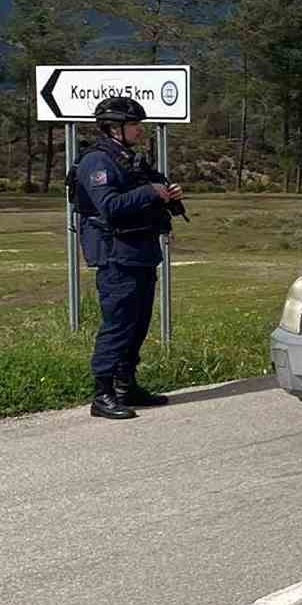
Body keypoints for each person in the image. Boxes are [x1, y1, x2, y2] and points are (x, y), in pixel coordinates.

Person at [70, 97, 184, 419]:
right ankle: (102, 394)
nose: (139, 130)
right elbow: (109, 205)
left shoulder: (128, 158)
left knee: (138, 323)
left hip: (141, 251)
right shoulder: (97, 162)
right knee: (118, 324)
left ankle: (126, 385)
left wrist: (166, 192)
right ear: (114, 127)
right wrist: (151, 192)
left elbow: (147, 189)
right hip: (116, 255)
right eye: (134, 124)